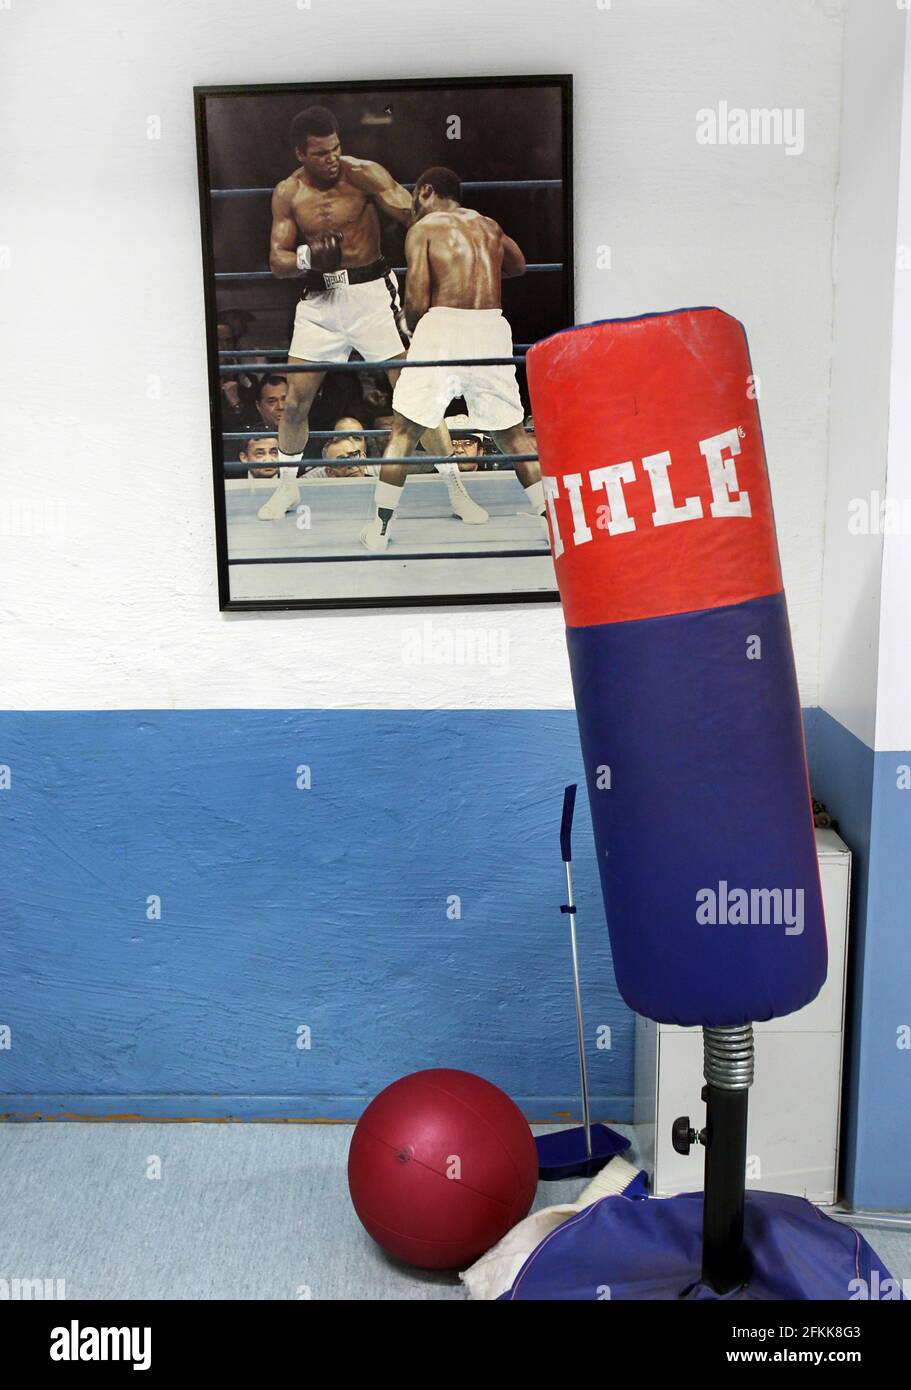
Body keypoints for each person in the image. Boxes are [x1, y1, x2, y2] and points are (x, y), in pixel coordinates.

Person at [259, 105, 452, 520]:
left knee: (413, 391)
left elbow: (413, 217)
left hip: (372, 296)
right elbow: (277, 261)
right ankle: (287, 489)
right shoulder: (288, 193)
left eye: (336, 148)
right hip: (319, 301)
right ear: (300, 154)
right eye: (321, 153)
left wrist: (441, 218)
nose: (332, 158)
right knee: (295, 402)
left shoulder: (364, 173)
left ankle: (456, 488)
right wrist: (310, 257)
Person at [360, 167, 545, 552]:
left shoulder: (424, 228)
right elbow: (520, 266)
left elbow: (415, 298)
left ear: (426, 190)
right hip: (491, 328)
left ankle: (379, 530)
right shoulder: (490, 225)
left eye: (414, 196)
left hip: (442, 326)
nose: (412, 206)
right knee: (512, 435)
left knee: (404, 433)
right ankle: (555, 524)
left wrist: (416, 333)